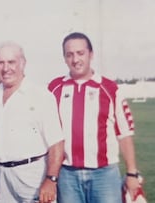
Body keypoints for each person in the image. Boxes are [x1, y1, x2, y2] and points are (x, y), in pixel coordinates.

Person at [48, 32, 143, 203]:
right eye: (70, 55)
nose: (75, 59)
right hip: (67, 175)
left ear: (91, 55)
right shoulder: (55, 88)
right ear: (64, 58)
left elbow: (124, 134)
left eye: (80, 53)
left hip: (104, 175)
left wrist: (131, 172)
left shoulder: (110, 88)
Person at [0, 41, 64, 203]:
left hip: (33, 175)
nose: (6, 68)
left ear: (23, 63)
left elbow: (56, 143)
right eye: (0, 63)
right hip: (3, 176)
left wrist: (51, 180)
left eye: (11, 62)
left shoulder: (40, 95)